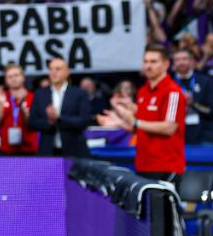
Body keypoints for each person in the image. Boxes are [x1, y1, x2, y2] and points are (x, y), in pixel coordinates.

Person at [98, 45, 186, 181]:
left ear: (166, 64)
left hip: (166, 165)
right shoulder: (143, 91)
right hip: (143, 163)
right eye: (145, 61)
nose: (148, 66)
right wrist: (120, 118)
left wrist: (134, 121)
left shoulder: (172, 91)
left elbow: (169, 128)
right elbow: (138, 128)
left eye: (153, 61)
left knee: (163, 203)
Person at [27, 58, 93, 157]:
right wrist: (49, 122)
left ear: (67, 73)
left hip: (75, 151)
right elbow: (32, 122)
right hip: (48, 151)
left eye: (58, 69)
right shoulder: (40, 94)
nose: (54, 72)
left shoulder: (79, 93)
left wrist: (59, 118)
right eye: (51, 69)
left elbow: (85, 120)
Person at [170, 48, 213, 145]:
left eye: (184, 59)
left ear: (192, 61)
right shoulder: (168, 83)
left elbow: (211, 110)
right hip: (176, 135)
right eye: (177, 60)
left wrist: (193, 103)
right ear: (173, 63)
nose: (181, 62)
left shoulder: (205, 81)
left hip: (204, 135)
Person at [0, 63, 38, 156]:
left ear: (23, 77)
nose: (13, 79)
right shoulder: (2, 97)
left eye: (16, 75)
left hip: (29, 150)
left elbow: (32, 125)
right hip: (6, 151)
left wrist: (22, 108)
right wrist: (1, 104)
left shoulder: (33, 97)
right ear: (5, 80)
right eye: (10, 77)